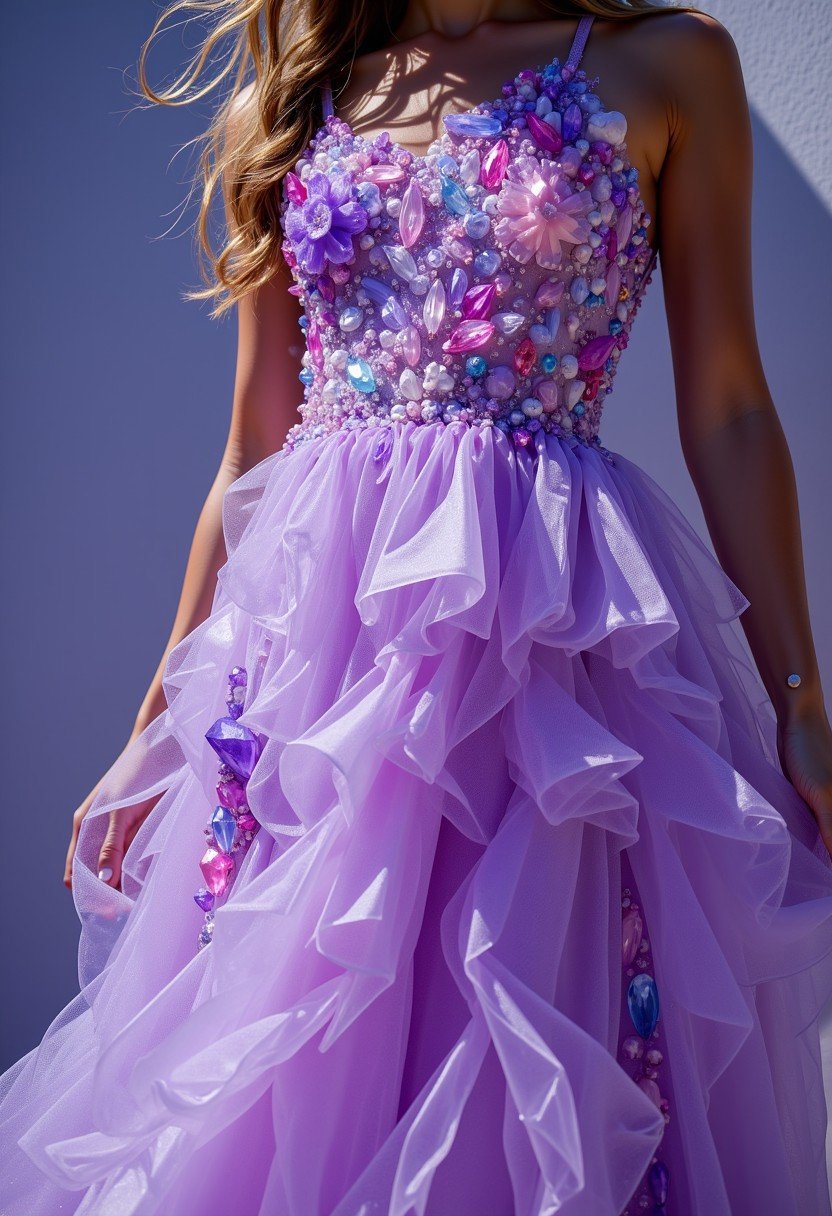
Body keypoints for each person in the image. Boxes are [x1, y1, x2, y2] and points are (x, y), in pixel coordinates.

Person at [2, 1, 831, 1212]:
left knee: (527, 1014)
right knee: (299, 1039)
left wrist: (799, 690)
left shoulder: (667, 64)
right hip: (317, 668)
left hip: (546, 647)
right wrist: (153, 720)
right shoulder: (298, 98)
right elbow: (252, 449)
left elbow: (730, 409)